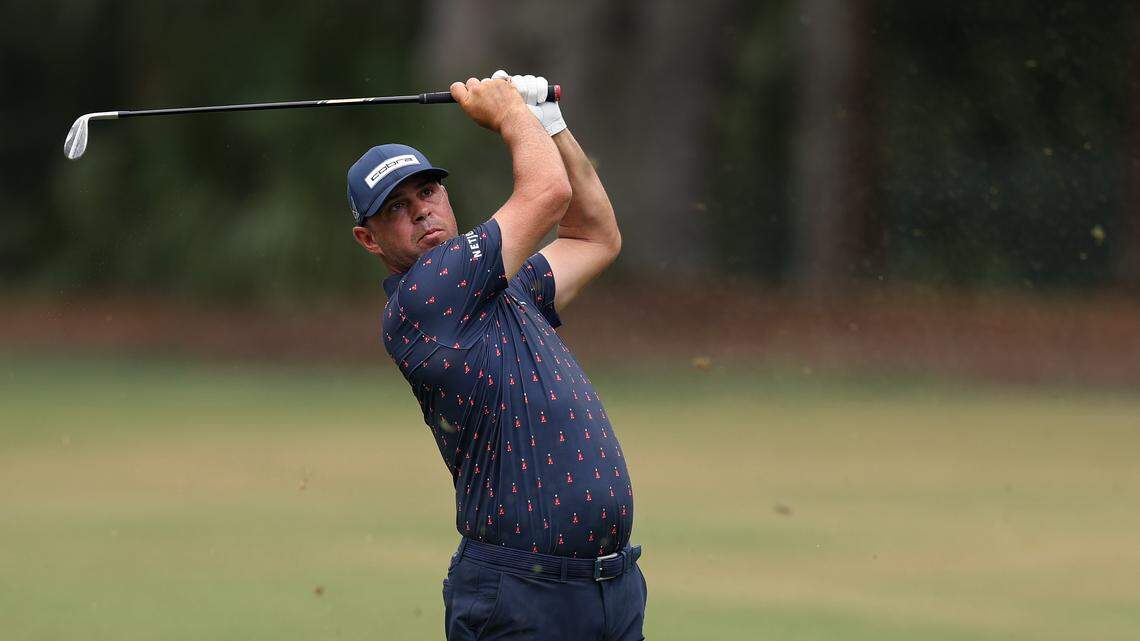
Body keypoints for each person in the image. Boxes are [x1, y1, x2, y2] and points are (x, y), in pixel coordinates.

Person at [347, 71, 645, 641]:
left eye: (428, 193)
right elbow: (547, 196)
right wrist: (511, 112)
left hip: (609, 589)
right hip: (522, 596)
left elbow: (594, 237)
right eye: (395, 209)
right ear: (370, 239)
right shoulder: (427, 296)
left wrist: (552, 126)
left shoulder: (504, 290)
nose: (421, 213)